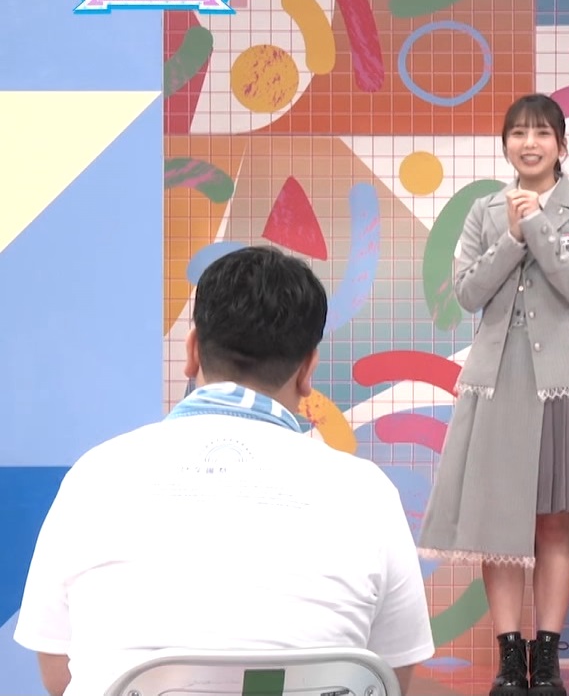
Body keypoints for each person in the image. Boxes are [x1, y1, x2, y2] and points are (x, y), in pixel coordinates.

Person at [13, 246, 434, 696]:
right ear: (308, 369)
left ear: (192, 350)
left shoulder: (97, 476)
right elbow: (390, 680)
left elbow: (59, 677)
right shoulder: (367, 494)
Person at [418, 94, 569, 696]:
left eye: (542, 133)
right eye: (519, 133)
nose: (530, 143)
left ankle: (546, 661)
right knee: (500, 522)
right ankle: (509, 660)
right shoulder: (483, 211)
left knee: (554, 523)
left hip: (563, 381)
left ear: (561, 145)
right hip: (497, 378)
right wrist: (509, 234)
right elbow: (467, 292)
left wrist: (540, 227)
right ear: (505, 145)